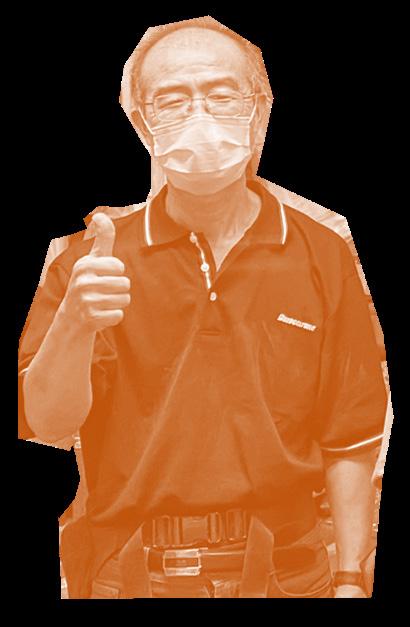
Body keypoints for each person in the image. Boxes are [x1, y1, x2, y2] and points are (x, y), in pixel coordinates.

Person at [18, 16, 388, 598]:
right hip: (131, 576)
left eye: (222, 95)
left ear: (259, 109)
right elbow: (47, 425)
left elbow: (352, 432)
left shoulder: (322, 253)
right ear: (143, 123)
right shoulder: (88, 264)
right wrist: (76, 322)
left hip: (290, 575)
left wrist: (349, 579)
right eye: (172, 100)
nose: (200, 116)